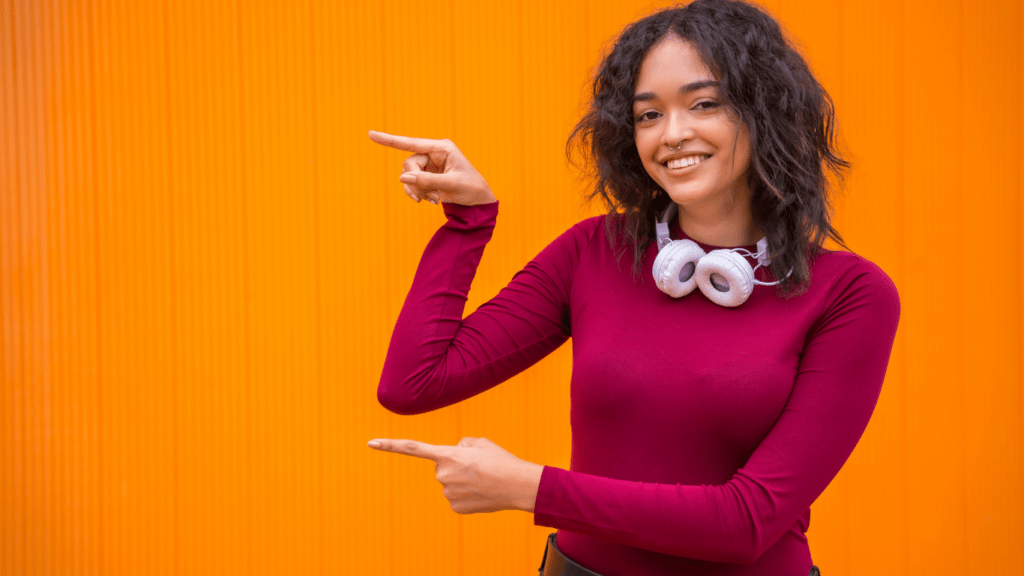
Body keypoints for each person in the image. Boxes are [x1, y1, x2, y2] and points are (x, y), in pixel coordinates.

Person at [365, 0, 900, 574]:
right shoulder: (594, 251)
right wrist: (468, 223)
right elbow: (413, 384)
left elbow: (747, 522)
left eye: (704, 104)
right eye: (648, 115)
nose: (672, 134)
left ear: (764, 112)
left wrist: (534, 489)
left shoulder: (851, 294)